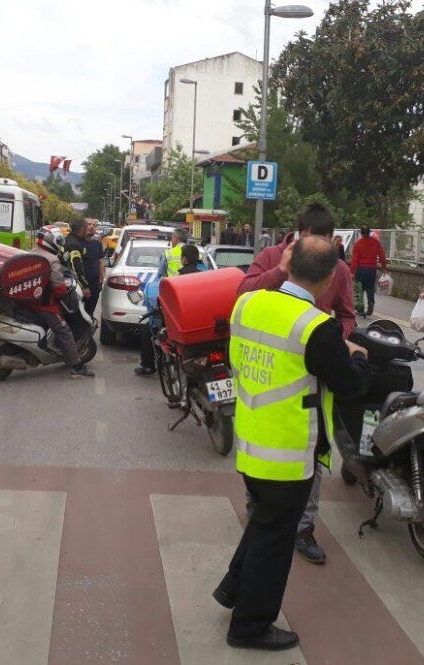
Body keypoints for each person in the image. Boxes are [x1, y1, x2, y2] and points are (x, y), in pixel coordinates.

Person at [214, 236, 370, 651]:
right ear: (331, 277)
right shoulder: (317, 327)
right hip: (288, 451)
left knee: (264, 523)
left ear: (289, 263)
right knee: (275, 540)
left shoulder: (248, 304)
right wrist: (355, 355)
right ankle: (249, 626)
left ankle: (233, 589)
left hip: (251, 439)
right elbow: (350, 386)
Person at [237, 202, 355, 565]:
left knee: (313, 448)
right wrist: (280, 270)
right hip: (273, 368)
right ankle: (259, 503)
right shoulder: (273, 257)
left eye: (323, 240)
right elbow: (245, 291)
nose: (316, 248)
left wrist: (341, 342)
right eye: (309, 238)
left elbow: (347, 315)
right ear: (297, 234)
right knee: (258, 442)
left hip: (315, 371)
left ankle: (302, 527)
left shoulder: (339, 269)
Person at [25, 228, 95, 378]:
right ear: (53, 241)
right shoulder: (51, 259)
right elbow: (58, 288)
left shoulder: (32, 253)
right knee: (64, 331)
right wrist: (63, 290)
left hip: (28, 300)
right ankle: (77, 368)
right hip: (44, 304)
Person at [136, 243, 204, 376]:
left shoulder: (179, 279)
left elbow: (168, 302)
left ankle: (148, 366)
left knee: (149, 331)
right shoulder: (203, 277)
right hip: (199, 322)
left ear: (184, 259)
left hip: (180, 324)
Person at [350, 226, 388, 318]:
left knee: (360, 289)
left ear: (361, 233)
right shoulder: (376, 242)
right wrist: (384, 267)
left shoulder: (358, 243)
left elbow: (355, 259)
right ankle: (371, 302)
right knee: (370, 288)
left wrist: (352, 272)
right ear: (369, 232)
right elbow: (382, 256)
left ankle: (360, 309)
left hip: (360, 269)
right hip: (371, 270)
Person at [81, 218, 105, 317]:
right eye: (88, 224)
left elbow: (101, 260)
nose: (91, 227)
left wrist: (101, 277)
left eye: (93, 225)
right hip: (79, 284)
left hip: (94, 284)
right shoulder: (76, 243)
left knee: (90, 311)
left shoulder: (97, 243)